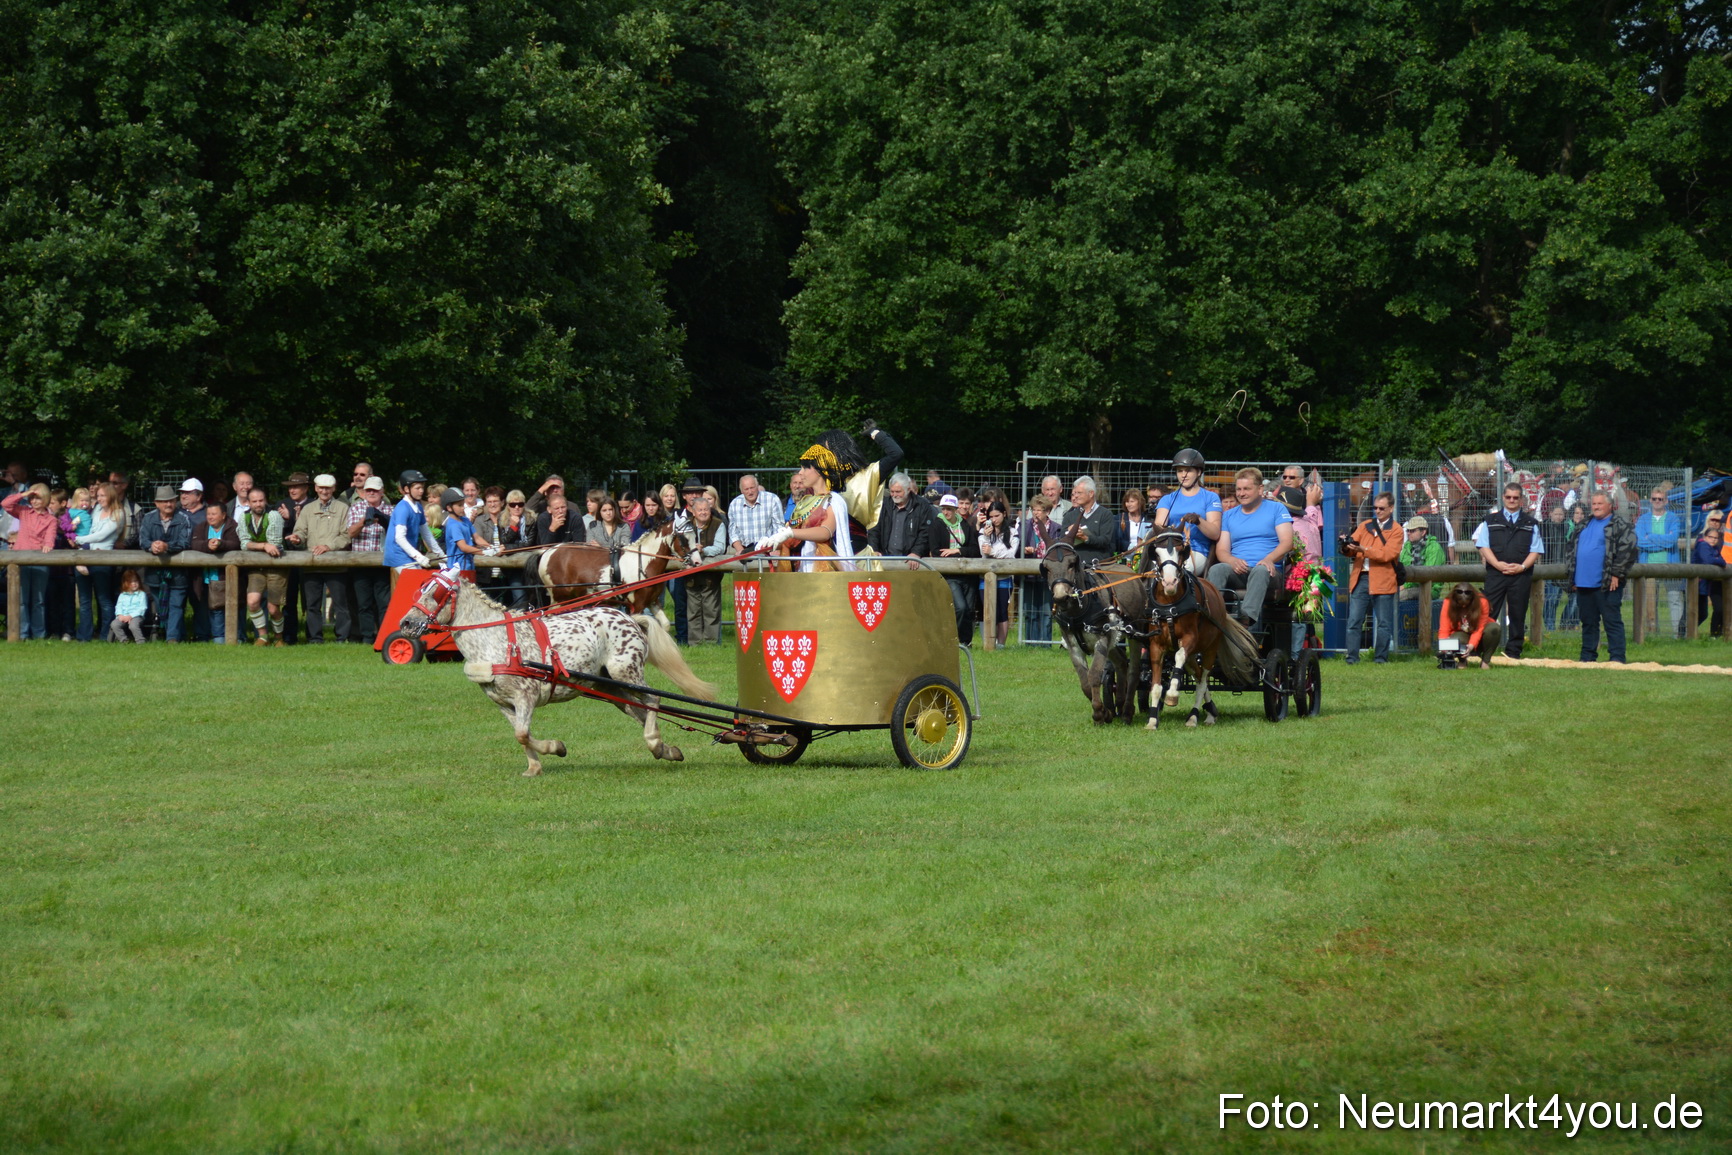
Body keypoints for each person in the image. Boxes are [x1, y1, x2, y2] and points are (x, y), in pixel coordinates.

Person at [1209, 468, 1295, 635]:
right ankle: (1211, 617)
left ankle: (1245, 621)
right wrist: (1232, 561)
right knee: (1217, 569)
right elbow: (1222, 550)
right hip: (1239, 570)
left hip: (1269, 572)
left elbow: (1287, 542)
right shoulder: (1228, 516)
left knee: (1260, 570)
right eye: (1239, 489)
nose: (1241, 493)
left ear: (1260, 489)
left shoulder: (1277, 509)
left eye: (1246, 489)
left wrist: (1269, 558)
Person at [1472, 482, 1544, 659]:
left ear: (1521, 500)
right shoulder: (1490, 521)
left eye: (1516, 498)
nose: (1512, 500)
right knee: (1487, 612)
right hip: (1496, 573)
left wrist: (1522, 567)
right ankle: (1478, 648)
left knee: (1518, 613)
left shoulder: (1531, 523)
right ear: (1503, 498)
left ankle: (1513, 652)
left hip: (1521, 575)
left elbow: (1536, 550)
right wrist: (1497, 564)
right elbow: (1483, 546)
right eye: (1508, 497)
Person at [764, 438, 858, 573]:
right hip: (803, 569)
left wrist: (791, 532)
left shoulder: (833, 500)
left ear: (820, 470)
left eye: (805, 468)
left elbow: (825, 532)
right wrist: (770, 543)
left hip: (827, 572)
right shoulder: (805, 501)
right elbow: (793, 539)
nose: (800, 473)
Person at [1565, 490, 1637, 663]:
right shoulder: (1583, 524)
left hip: (1606, 583)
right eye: (1594, 504)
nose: (1596, 507)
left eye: (1600, 504)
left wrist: (1616, 573)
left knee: (1612, 621)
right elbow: (1571, 549)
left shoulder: (1620, 525)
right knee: (1588, 623)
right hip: (1583, 582)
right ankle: (1587, 657)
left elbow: (1628, 549)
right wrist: (1573, 577)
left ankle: (1617, 658)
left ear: (1610, 505)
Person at [1341, 491, 1401, 663]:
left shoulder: (1396, 530)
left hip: (1383, 578)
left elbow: (1388, 554)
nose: (1378, 511)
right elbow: (1353, 548)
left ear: (1391, 508)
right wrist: (1346, 546)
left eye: (1381, 508)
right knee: (1354, 621)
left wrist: (1363, 550)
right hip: (1361, 578)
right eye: (1375, 508)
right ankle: (1352, 658)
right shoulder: (1366, 525)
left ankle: (1380, 659)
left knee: (1383, 623)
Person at [294, 474, 352, 642]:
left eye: (328, 488)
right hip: (312, 564)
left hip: (336, 564)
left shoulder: (343, 508)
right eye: (321, 488)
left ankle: (342, 638)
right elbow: (301, 531)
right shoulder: (308, 509)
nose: (324, 491)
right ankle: (314, 638)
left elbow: (346, 536)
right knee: (312, 605)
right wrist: (297, 538)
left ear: (334, 489)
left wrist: (328, 547)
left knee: (341, 605)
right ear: (316, 488)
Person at [1153, 449, 1223, 575]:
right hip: (1169, 548)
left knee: (1181, 571)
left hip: (1196, 549)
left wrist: (1199, 520)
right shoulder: (1167, 499)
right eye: (1180, 471)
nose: (1183, 475)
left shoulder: (1211, 497)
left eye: (1188, 470)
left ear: (1198, 472)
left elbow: (1215, 533)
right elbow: (1159, 525)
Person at [138, 485, 193, 641]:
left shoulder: (184, 519)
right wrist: (152, 546)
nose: (168, 505)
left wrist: (167, 546)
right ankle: (176, 635)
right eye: (164, 502)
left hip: (178, 574)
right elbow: (143, 540)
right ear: (156, 503)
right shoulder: (148, 518)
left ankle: (172, 638)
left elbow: (185, 542)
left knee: (176, 605)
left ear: (175, 501)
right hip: (155, 574)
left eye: (171, 501)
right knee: (162, 607)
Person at [1, 484, 56, 638]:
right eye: (32, 498)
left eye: (37, 497)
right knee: (22, 599)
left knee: (38, 600)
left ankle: (39, 634)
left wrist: (48, 545)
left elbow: (50, 537)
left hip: (40, 561)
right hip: (21, 560)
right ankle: (22, 633)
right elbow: (5, 504)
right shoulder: (24, 511)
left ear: (45, 498)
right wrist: (24, 493)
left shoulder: (51, 519)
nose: (34, 500)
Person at [240, 487, 290, 645]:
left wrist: (256, 545)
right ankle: (263, 636)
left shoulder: (274, 515)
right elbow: (243, 543)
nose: (258, 504)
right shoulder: (244, 517)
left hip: (276, 565)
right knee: (252, 602)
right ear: (248, 503)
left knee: (273, 608)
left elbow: (274, 543)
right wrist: (263, 546)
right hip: (256, 566)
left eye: (261, 500)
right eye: (254, 501)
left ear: (265, 500)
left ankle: (279, 638)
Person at [347, 476, 394, 642]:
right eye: (369, 490)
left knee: (383, 603)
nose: (371, 493)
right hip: (360, 562)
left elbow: (395, 536)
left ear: (382, 492)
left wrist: (382, 519)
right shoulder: (355, 508)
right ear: (364, 492)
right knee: (364, 603)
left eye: (375, 490)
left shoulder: (391, 510)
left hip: (382, 563)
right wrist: (364, 521)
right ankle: (367, 637)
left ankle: (384, 636)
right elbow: (350, 533)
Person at [77, 482, 124, 641]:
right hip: (87, 554)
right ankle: (84, 636)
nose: (99, 499)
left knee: (104, 599)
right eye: (98, 496)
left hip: (104, 558)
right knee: (84, 600)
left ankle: (106, 635)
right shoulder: (96, 509)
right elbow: (90, 530)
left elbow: (101, 535)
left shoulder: (118, 514)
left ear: (111, 495)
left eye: (103, 495)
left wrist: (78, 539)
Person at [1635, 486, 1685, 636]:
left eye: (1660, 499)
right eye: (1654, 499)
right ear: (1650, 500)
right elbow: (1639, 542)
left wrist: (1650, 537)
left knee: (1675, 599)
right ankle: (1651, 633)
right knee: (1649, 601)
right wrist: (1662, 540)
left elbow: (1672, 540)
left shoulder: (1673, 518)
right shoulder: (1643, 519)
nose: (1657, 501)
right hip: (1648, 566)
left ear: (1666, 501)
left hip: (1670, 565)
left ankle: (1678, 634)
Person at [932, 493, 979, 643]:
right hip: (949, 574)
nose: (946, 512)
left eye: (949, 509)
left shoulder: (965, 525)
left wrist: (957, 550)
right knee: (960, 607)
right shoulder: (936, 525)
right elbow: (936, 551)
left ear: (955, 510)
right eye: (943, 509)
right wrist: (957, 554)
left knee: (969, 610)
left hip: (967, 573)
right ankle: (955, 640)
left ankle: (966, 642)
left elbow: (974, 550)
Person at [190, 501, 240, 641]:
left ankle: (223, 637)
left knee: (220, 608)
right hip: (203, 577)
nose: (210, 517)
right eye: (208, 514)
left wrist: (220, 544)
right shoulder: (201, 527)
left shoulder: (233, 526)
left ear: (223, 515)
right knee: (203, 608)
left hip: (225, 577)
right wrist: (207, 544)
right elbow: (194, 543)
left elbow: (236, 543)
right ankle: (204, 636)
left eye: (214, 514)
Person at [682, 493, 729, 643]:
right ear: (693, 512)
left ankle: (711, 643)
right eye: (700, 510)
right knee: (693, 611)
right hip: (691, 576)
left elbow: (720, 547)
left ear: (710, 509)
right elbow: (680, 547)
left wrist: (703, 551)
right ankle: (695, 643)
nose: (703, 512)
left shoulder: (718, 524)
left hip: (711, 577)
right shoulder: (685, 525)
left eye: (706, 510)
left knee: (711, 611)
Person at [866, 472, 939, 568]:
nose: (894, 495)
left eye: (898, 492)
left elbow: (925, 532)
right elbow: (874, 529)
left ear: (908, 490)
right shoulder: (883, 505)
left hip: (911, 561)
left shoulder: (922, 506)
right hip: (885, 558)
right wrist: (874, 550)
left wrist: (916, 552)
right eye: (892, 491)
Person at [275, 472, 313, 642]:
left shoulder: (314, 505)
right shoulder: (282, 504)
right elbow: (277, 531)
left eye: (296, 486)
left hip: (309, 557)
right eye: (290, 487)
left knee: (311, 599)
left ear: (306, 488)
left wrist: (291, 519)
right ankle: (289, 636)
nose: (292, 490)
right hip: (288, 557)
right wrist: (289, 521)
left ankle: (313, 636)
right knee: (289, 599)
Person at [1020, 495, 1060, 644]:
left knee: (1045, 612)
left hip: (1047, 574)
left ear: (1047, 511)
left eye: (1040, 510)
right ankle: (1030, 642)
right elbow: (1017, 548)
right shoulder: (1025, 526)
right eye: (1033, 510)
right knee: (1030, 612)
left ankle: (1045, 643)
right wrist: (1025, 550)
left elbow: (1057, 551)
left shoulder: (1056, 529)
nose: (1036, 513)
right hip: (1029, 574)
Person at [383, 470, 440, 575]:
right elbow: (399, 538)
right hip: (398, 555)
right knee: (416, 582)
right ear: (406, 489)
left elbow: (426, 533)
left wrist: (440, 554)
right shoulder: (403, 508)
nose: (421, 491)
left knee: (421, 583)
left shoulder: (418, 506)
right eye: (417, 488)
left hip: (408, 554)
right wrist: (418, 556)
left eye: (422, 487)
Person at [978, 500, 1018, 646]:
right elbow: (984, 553)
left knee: (1002, 611)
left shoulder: (1013, 532)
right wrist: (988, 538)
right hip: (985, 578)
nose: (994, 520)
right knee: (987, 610)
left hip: (1005, 578)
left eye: (997, 516)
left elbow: (1011, 554)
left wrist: (994, 551)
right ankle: (988, 643)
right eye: (991, 516)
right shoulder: (984, 531)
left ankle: (1001, 645)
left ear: (1004, 514)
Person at [1438, 582, 1501, 669]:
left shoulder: (1482, 602)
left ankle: (1485, 661)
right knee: (1455, 640)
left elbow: (1479, 628)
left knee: (1494, 629)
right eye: (1460, 604)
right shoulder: (1448, 602)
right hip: (1461, 633)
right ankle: (1462, 661)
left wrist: (1472, 645)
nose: (1463, 606)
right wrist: (1444, 646)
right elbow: (1444, 628)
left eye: (1466, 604)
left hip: (1481, 632)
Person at [1061, 476, 1115, 570]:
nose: (1076, 496)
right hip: (1075, 566)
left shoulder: (1105, 514)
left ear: (1091, 493)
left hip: (1099, 566)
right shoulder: (1069, 516)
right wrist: (1070, 534)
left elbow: (1105, 541)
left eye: (1079, 493)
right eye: (1075, 493)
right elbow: (1062, 540)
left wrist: (1086, 538)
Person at [728, 474, 785, 555]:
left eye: (752, 488)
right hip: (744, 550)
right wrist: (741, 551)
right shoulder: (734, 504)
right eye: (746, 489)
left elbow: (779, 527)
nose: (750, 492)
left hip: (768, 549)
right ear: (741, 490)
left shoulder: (772, 499)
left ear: (757, 486)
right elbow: (732, 532)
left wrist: (775, 548)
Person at [1539, 504, 1572, 630]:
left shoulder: (1567, 527)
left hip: (1564, 568)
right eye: (1556, 514)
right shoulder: (1543, 527)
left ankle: (1565, 623)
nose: (1559, 517)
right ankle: (1549, 626)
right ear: (1550, 514)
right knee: (1551, 599)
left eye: (1561, 514)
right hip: (1549, 567)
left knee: (1557, 599)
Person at [1691, 514, 1724, 637]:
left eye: (1718, 520)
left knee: (1703, 613)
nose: (1713, 540)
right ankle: (1685, 633)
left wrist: (1718, 559)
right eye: (1710, 537)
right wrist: (1720, 561)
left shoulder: (1715, 546)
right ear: (1705, 537)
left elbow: (1720, 558)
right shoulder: (1703, 544)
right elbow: (1708, 560)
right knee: (1693, 611)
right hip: (1697, 583)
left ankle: (1688, 634)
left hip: (1705, 585)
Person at [439, 488, 481, 576]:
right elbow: (463, 547)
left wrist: (491, 547)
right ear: (449, 508)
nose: (463, 507)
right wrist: (483, 552)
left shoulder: (465, 520)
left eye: (463, 504)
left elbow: (477, 538)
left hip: (469, 565)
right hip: (457, 568)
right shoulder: (453, 525)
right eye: (459, 505)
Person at [110, 569, 148, 643]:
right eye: (131, 582)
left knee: (133, 626)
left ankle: (140, 641)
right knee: (114, 624)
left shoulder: (141, 594)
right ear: (125, 583)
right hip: (123, 615)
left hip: (137, 616)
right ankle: (124, 640)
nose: (134, 584)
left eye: (136, 581)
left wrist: (131, 616)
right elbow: (118, 606)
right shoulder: (122, 595)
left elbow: (142, 608)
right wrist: (120, 615)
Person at [1115, 488, 1153, 555]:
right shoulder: (1119, 518)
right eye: (1127, 502)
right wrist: (1134, 548)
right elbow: (1117, 540)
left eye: (1132, 501)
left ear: (1139, 502)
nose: (1129, 504)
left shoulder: (1148, 519)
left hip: (1145, 554)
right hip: (1125, 556)